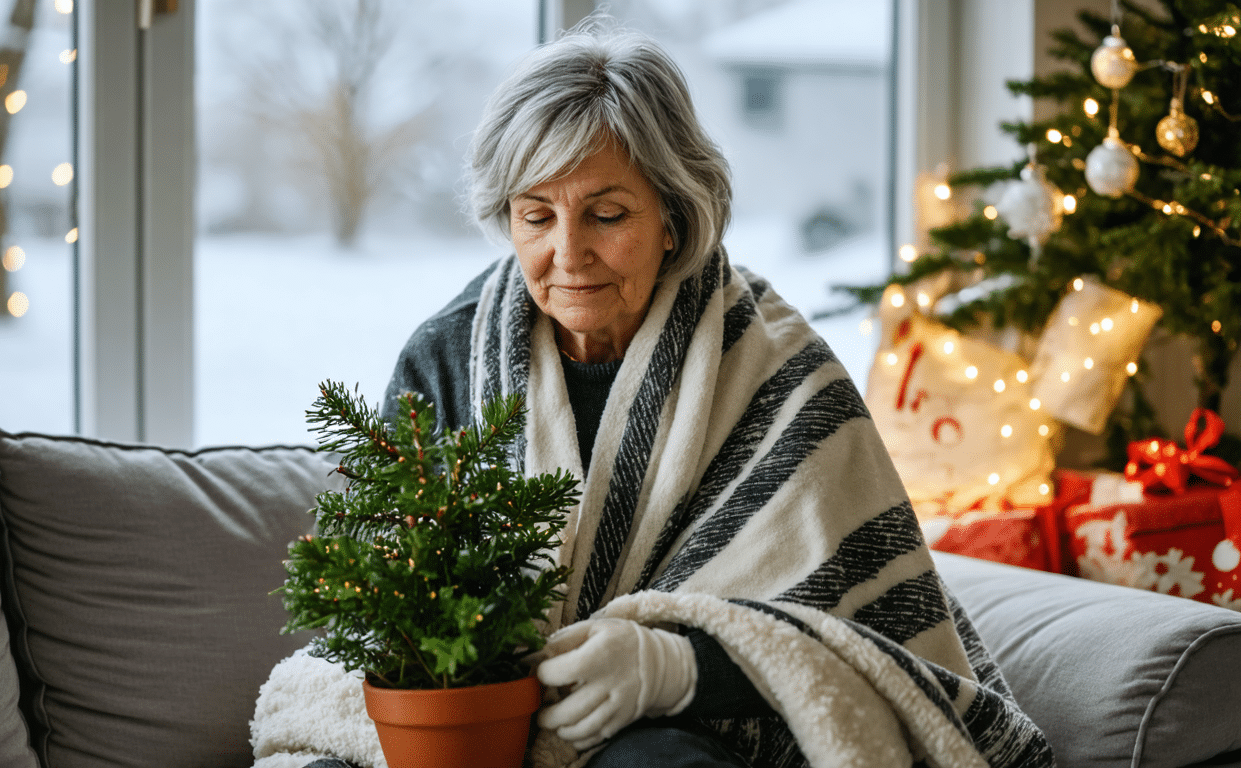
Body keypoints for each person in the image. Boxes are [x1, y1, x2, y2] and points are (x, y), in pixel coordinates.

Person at [375, 20, 1052, 768]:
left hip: (702, 730)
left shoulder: (781, 372)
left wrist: (679, 668)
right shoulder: (444, 363)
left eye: (606, 215)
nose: (568, 255)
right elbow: (381, 609)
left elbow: (862, 634)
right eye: (537, 216)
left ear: (673, 214)